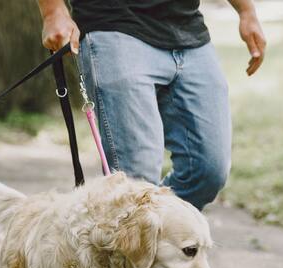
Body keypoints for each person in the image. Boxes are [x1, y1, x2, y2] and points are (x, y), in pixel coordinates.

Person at [36, 0, 266, 210]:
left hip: (189, 30)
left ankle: (151, 230)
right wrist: (52, 11)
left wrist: (246, 11)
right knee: (137, 183)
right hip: (113, 25)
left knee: (207, 171)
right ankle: (139, 242)